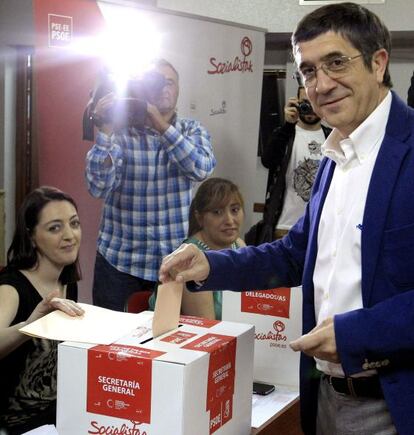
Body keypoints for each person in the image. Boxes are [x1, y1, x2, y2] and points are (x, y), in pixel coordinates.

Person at [159, 3, 414, 435]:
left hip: (396, 403)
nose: (322, 84)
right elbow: (296, 253)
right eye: (309, 71)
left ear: (378, 62)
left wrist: (359, 334)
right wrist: (212, 264)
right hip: (324, 397)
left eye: (336, 62)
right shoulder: (335, 155)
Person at [85, 58, 216, 312]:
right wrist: (104, 132)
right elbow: (98, 187)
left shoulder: (191, 130)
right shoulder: (121, 134)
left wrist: (162, 127)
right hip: (119, 262)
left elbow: (201, 168)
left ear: (178, 89)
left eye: (170, 82)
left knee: (167, 344)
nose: (164, 87)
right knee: (110, 344)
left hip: (171, 263)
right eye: (156, 82)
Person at [0, 186, 85, 434]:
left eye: (74, 223)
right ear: (32, 236)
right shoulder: (11, 288)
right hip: (18, 423)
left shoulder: (66, 282)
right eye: (54, 228)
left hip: (59, 414)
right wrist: (32, 323)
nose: (70, 235)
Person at [149, 177, 245, 319]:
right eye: (217, 212)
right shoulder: (188, 262)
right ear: (199, 217)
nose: (230, 220)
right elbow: (208, 328)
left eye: (235, 210)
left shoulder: (239, 244)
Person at [261, 86, 331, 238]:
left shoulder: (332, 137)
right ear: (296, 104)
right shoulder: (285, 134)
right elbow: (268, 161)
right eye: (305, 103)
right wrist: (287, 125)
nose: (310, 108)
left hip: (320, 229)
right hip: (285, 227)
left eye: (315, 102)